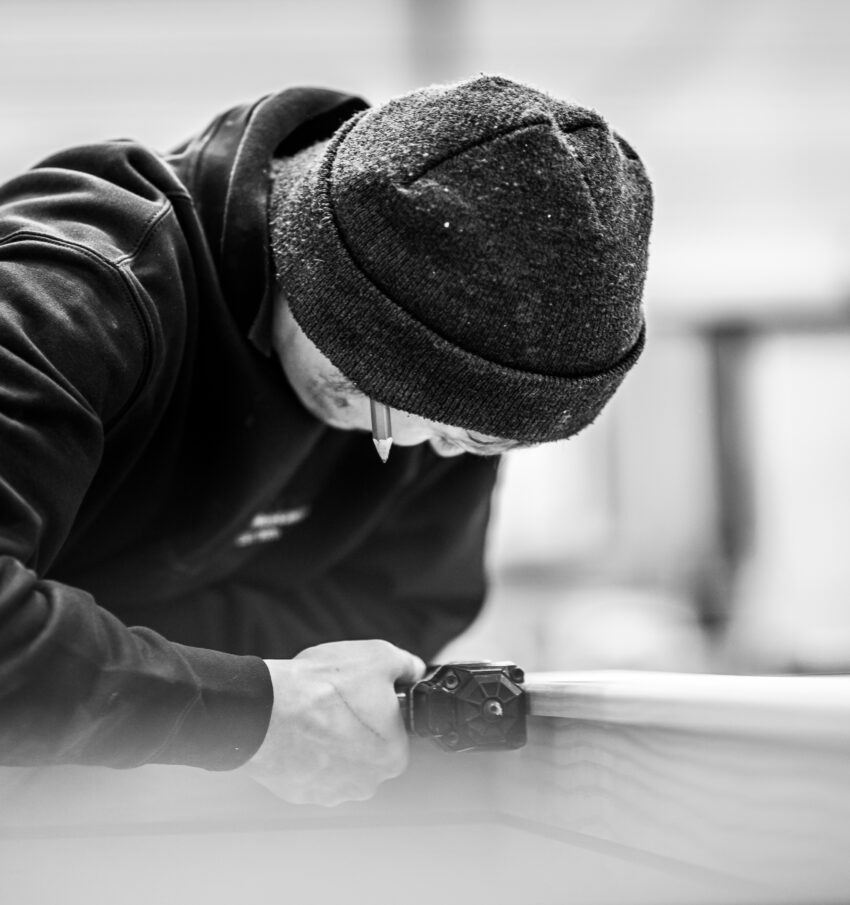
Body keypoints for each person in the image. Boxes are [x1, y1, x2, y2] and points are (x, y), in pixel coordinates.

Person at [0, 74, 652, 805]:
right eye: (384, 394)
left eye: (466, 439)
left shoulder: (444, 410)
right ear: (320, 279)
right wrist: (248, 708)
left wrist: (99, 655)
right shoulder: (70, 291)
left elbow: (396, 614)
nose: (406, 442)